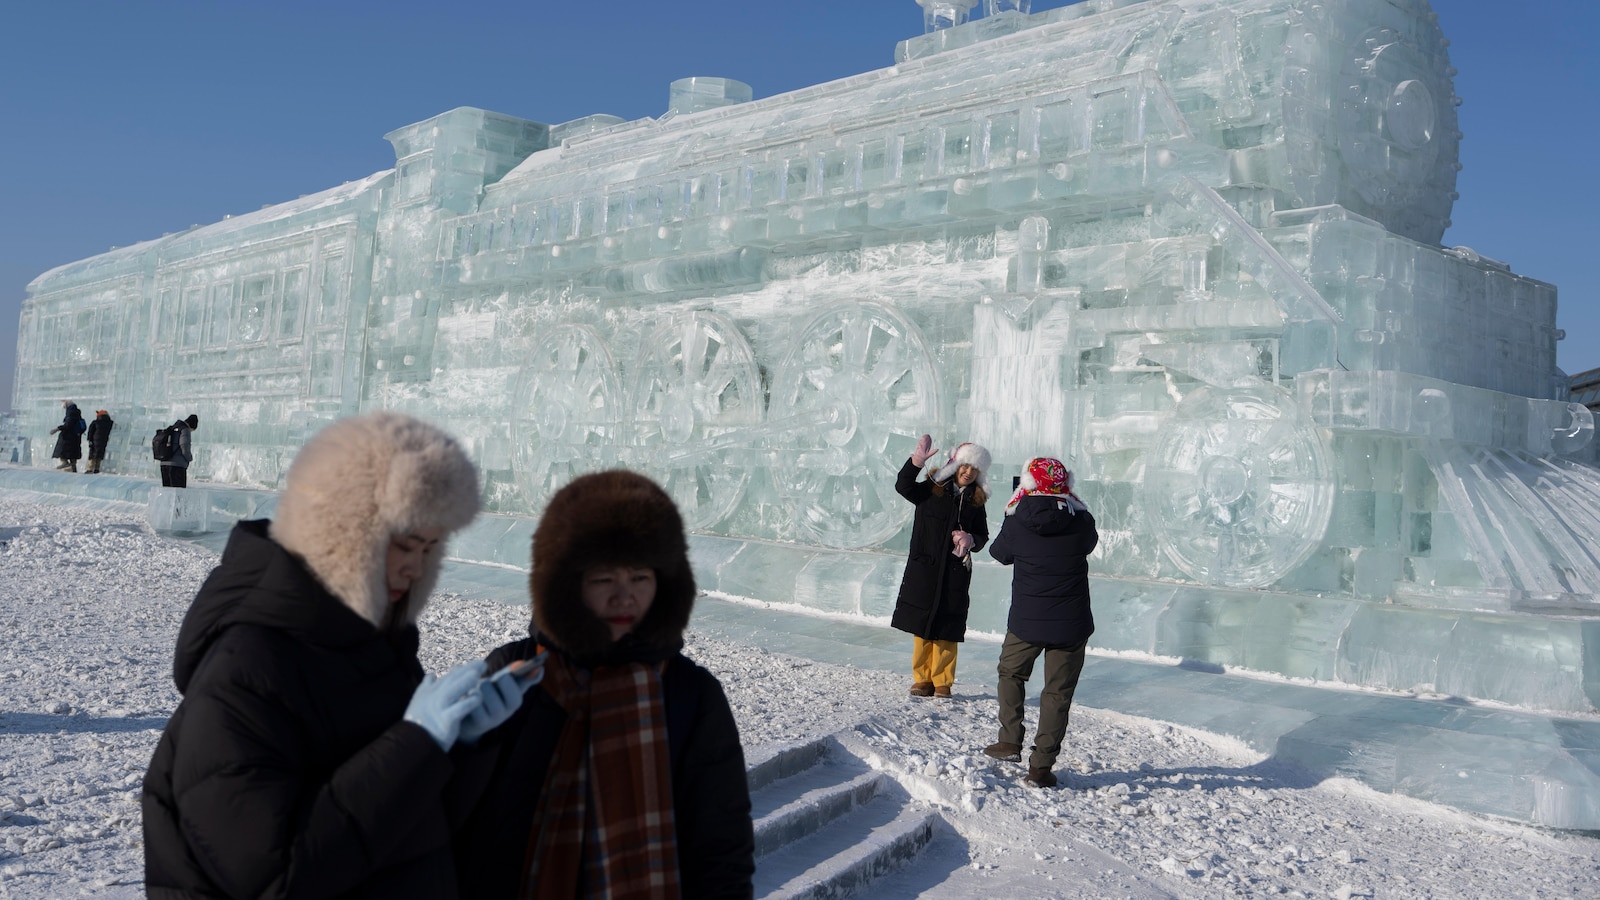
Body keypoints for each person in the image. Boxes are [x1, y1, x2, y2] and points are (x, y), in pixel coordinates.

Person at [143, 411, 536, 899]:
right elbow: (275, 877)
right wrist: (416, 746)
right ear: (344, 530)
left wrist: (463, 746)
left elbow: (411, 834)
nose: (415, 568)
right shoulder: (246, 672)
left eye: (429, 549)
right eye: (404, 546)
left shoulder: (379, 648)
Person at [451, 469, 755, 899]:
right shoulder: (515, 671)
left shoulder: (691, 693)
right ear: (567, 584)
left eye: (640, 578)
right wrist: (465, 745)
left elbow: (720, 846)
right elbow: (456, 815)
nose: (624, 596)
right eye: (603, 579)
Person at [983, 456, 1098, 789]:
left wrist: (1012, 511)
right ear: (1066, 485)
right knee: (1057, 694)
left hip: (1026, 622)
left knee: (1011, 672)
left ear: (1029, 484)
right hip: (1070, 623)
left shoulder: (1018, 520)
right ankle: (1040, 767)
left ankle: (1009, 740)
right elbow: (1088, 544)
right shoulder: (1081, 521)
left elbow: (999, 554)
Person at [891, 434, 991, 699]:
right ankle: (922, 679)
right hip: (925, 569)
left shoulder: (975, 502)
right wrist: (915, 463)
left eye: (974, 469)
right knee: (922, 627)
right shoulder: (930, 489)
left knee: (947, 628)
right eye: (965, 466)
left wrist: (971, 540)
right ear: (955, 465)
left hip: (955, 573)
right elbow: (903, 486)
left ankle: (943, 681)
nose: (968, 472)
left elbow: (982, 536)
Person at [159, 413, 198, 488]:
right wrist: (189, 458)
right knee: (179, 493)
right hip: (177, 466)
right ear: (192, 426)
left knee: (168, 493)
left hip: (164, 464)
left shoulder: (172, 428)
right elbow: (184, 446)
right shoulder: (185, 429)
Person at [48, 400, 84, 472]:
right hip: (75, 437)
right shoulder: (76, 412)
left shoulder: (71, 412)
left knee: (63, 451)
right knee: (73, 453)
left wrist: (57, 429)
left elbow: (68, 424)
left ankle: (65, 463)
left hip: (68, 437)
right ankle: (72, 468)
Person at [84, 409, 113, 474]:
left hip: (95, 440)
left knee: (92, 454)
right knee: (99, 454)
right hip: (104, 440)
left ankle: (90, 468)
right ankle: (97, 468)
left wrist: (89, 439)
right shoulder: (110, 423)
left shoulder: (95, 422)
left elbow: (90, 432)